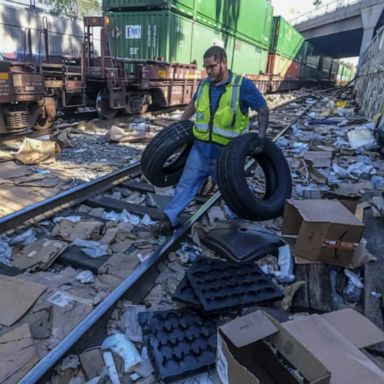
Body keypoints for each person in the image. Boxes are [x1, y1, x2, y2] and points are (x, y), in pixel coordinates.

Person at [150, 45, 269, 236]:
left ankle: (237, 220)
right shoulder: (205, 84)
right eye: (206, 67)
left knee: (231, 189)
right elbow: (194, 104)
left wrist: (261, 139)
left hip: (227, 152)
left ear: (223, 63)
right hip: (201, 148)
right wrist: (179, 126)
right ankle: (169, 219)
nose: (208, 71)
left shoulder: (242, 86)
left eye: (212, 66)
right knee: (186, 184)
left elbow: (262, 109)